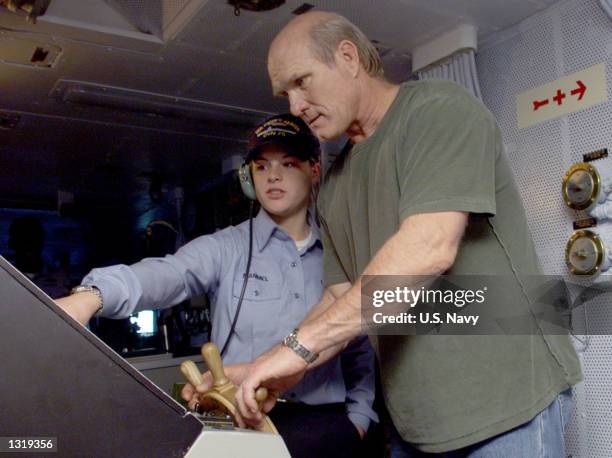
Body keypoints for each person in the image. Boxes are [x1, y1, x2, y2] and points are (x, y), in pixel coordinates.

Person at [232, 12, 583, 457]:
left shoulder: (437, 110)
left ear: (347, 57)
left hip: (505, 410)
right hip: (415, 426)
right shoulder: (336, 186)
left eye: (303, 81)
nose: (295, 106)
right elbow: (339, 302)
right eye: (286, 93)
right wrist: (271, 364)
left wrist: (298, 349)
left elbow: (428, 248)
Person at [56, 113, 378, 458]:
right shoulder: (226, 247)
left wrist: (357, 418)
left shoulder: (342, 252)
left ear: (314, 171)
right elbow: (170, 273)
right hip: (245, 422)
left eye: (288, 163)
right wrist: (93, 296)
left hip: (326, 428)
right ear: (249, 178)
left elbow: (358, 345)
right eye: (261, 166)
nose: (273, 176)